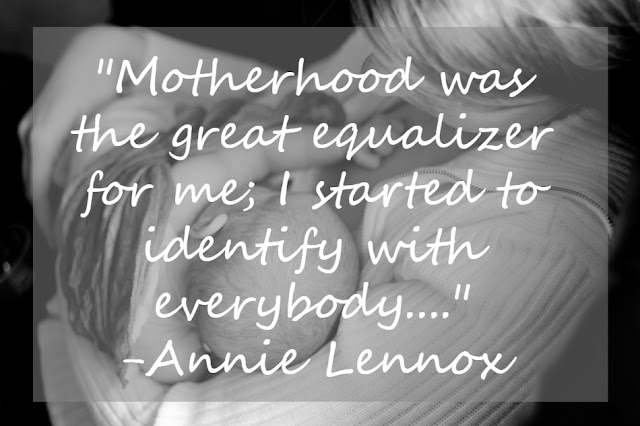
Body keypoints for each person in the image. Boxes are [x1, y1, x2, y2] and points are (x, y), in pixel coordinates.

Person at [29, 1, 639, 424]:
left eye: (428, 66)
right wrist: (133, 53)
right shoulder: (434, 36)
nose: (381, 67)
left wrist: (99, 246)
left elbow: (163, 414)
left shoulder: (527, 265)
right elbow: (274, 111)